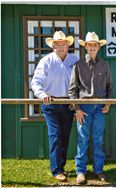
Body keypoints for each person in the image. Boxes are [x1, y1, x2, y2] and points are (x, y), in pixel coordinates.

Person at [31, 31, 78, 182]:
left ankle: (61, 166)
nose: (61, 46)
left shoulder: (75, 60)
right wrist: (42, 94)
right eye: (57, 44)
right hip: (50, 102)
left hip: (68, 104)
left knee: (64, 136)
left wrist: (76, 100)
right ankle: (56, 170)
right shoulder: (46, 61)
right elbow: (36, 82)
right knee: (55, 135)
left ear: (68, 45)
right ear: (53, 46)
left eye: (63, 44)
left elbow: (81, 83)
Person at [68, 32, 113, 184]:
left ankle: (98, 170)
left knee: (98, 139)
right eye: (90, 45)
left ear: (98, 47)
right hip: (84, 107)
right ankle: (80, 171)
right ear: (85, 47)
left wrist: (108, 103)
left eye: (95, 45)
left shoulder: (104, 65)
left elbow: (109, 87)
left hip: (99, 107)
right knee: (82, 139)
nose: (92, 47)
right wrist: (77, 109)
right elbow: (72, 90)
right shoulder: (78, 65)